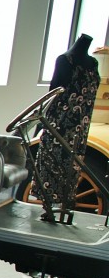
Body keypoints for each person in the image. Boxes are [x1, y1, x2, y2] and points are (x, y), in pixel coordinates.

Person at [33, 33, 100, 220]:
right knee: (52, 164)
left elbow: (52, 93)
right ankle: (50, 207)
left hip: (77, 126)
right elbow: (53, 93)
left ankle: (62, 206)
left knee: (70, 167)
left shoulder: (92, 64)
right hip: (61, 124)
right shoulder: (65, 60)